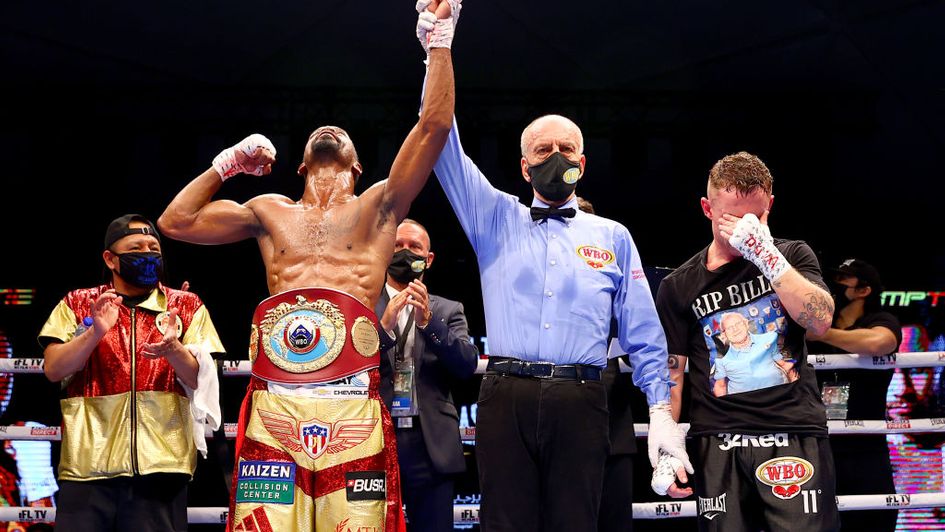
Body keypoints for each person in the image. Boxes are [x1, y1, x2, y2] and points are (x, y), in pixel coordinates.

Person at [157, 2, 460, 530]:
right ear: (299, 164)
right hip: (276, 398)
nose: (329, 128)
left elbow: (433, 126)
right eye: (320, 132)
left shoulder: (379, 206)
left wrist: (440, 40)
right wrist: (226, 165)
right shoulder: (268, 211)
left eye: (342, 132)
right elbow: (175, 222)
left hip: (352, 398)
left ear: (358, 166)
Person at [430, 104, 690, 528]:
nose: (556, 156)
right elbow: (443, 145)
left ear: (582, 163)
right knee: (504, 524)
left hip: (582, 398)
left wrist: (660, 412)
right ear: (525, 166)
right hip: (506, 392)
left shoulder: (612, 235)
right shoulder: (495, 218)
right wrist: (436, 54)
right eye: (543, 149)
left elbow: (644, 331)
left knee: (576, 522)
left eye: (566, 148)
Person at [655, 151, 840, 531]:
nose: (743, 229)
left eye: (753, 218)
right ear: (707, 209)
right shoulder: (679, 286)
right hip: (717, 440)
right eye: (731, 218)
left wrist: (767, 258)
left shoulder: (792, 255)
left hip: (793, 431)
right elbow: (672, 374)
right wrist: (666, 444)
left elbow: (820, 322)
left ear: (770, 205)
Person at [37, 214, 224, 532]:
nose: (148, 253)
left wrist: (174, 349)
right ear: (110, 259)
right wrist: (94, 333)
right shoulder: (80, 303)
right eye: (136, 247)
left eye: (153, 247)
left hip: (162, 467)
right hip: (87, 465)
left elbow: (201, 380)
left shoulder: (187, 306)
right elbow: (54, 369)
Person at [375, 218, 479, 531]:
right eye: (397, 246)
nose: (405, 253)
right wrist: (383, 328)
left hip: (430, 442)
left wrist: (428, 323)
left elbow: (466, 364)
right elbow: (348, 365)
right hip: (376, 438)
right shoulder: (365, 306)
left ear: (428, 259)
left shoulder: (448, 310)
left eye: (414, 247)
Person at [807, 258, 901, 531]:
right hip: (818, 445)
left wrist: (822, 334)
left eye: (842, 280)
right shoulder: (817, 322)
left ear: (863, 290)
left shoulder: (880, 320)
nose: (832, 286)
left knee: (873, 519)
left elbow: (880, 342)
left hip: (866, 447)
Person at [713, 311, 797, 397]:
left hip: (779, 395)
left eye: (738, 324)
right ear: (724, 334)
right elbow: (720, 386)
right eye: (729, 328)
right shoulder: (722, 360)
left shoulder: (769, 338)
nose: (735, 329)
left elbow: (783, 365)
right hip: (745, 406)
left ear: (746, 324)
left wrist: (795, 385)